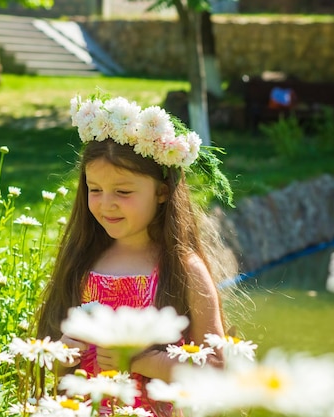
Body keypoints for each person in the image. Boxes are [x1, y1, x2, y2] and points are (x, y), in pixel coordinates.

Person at [35, 93, 239, 415]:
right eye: (95, 189)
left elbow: (215, 370)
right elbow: (53, 367)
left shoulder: (182, 268)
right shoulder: (83, 261)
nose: (106, 204)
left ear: (161, 191)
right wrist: (61, 355)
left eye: (123, 191)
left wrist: (141, 359)